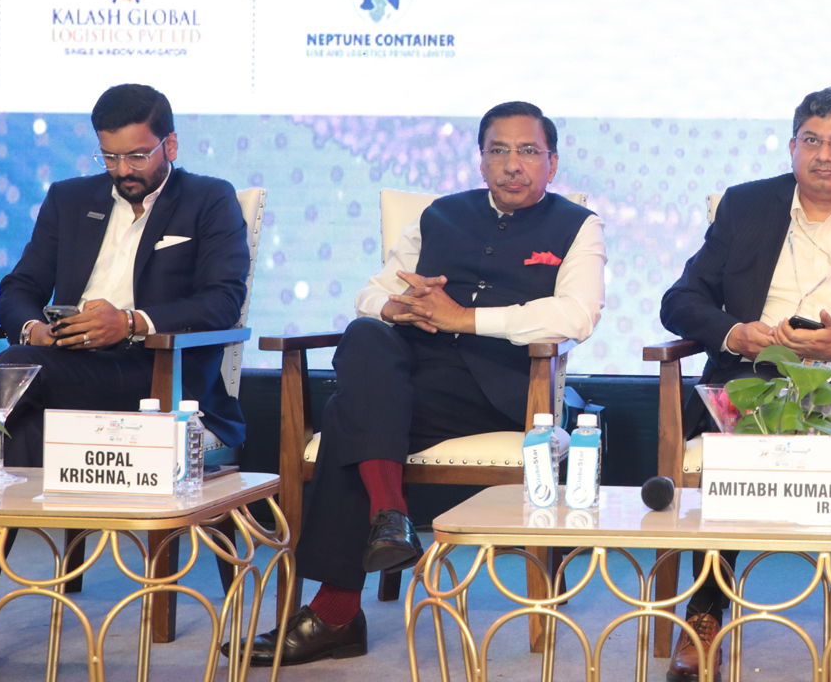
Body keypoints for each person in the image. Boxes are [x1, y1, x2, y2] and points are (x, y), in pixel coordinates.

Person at [0, 83, 252, 682]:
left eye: (137, 156)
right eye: (110, 156)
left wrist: (130, 322)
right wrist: (33, 325)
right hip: (63, 367)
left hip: (155, 375)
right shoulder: (69, 198)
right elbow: (19, 286)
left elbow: (222, 302)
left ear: (170, 145)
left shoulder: (209, 200)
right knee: (18, 429)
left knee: (9, 377)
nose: (123, 170)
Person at [239, 101, 605, 666]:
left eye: (528, 151)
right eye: (498, 151)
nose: (513, 164)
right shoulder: (441, 214)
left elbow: (577, 315)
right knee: (366, 333)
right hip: (412, 373)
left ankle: (337, 611)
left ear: (551, 163)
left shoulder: (578, 226)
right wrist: (394, 306)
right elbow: (370, 292)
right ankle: (390, 520)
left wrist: (465, 318)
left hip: (497, 389)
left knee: (349, 416)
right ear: (480, 161)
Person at [658, 86, 831, 682]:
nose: (824, 155)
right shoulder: (745, 205)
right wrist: (735, 334)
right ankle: (705, 609)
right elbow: (679, 301)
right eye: (811, 140)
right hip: (753, 370)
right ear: (791, 147)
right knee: (739, 409)